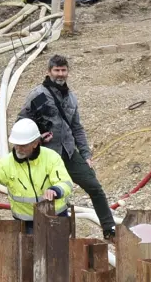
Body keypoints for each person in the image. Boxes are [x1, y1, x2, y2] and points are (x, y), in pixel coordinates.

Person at [19, 54, 116, 239]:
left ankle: (109, 228)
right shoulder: (38, 95)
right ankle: (39, 234)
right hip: (46, 155)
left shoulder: (71, 97)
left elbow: (77, 127)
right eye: (57, 70)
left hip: (69, 153)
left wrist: (86, 154)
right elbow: (22, 121)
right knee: (45, 196)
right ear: (48, 72)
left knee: (94, 186)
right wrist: (37, 137)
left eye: (64, 70)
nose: (60, 74)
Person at [0, 118, 73, 230]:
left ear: (35, 143)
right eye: (16, 144)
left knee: (58, 250)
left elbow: (64, 182)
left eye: (23, 145)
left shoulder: (51, 157)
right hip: (25, 223)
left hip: (55, 217)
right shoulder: (8, 163)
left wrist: (55, 190)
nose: (18, 149)